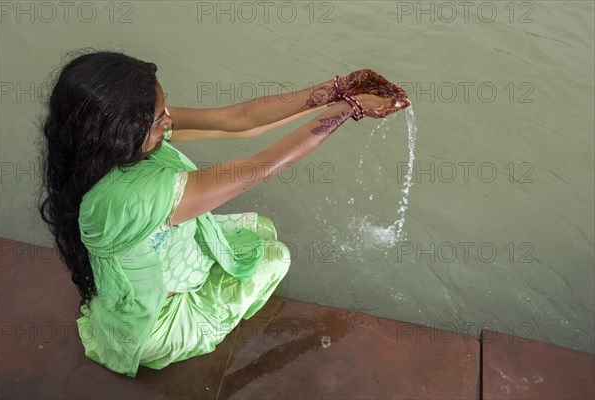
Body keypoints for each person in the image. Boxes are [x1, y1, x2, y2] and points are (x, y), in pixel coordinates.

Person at [38, 50, 410, 378]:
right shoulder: (133, 198)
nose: (168, 121)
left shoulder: (93, 153)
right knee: (274, 257)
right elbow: (260, 166)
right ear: (121, 133)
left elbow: (239, 120)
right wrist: (348, 108)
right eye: (158, 119)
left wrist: (337, 88)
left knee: (256, 229)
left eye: (163, 110)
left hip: (133, 276)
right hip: (157, 323)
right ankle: (187, 328)